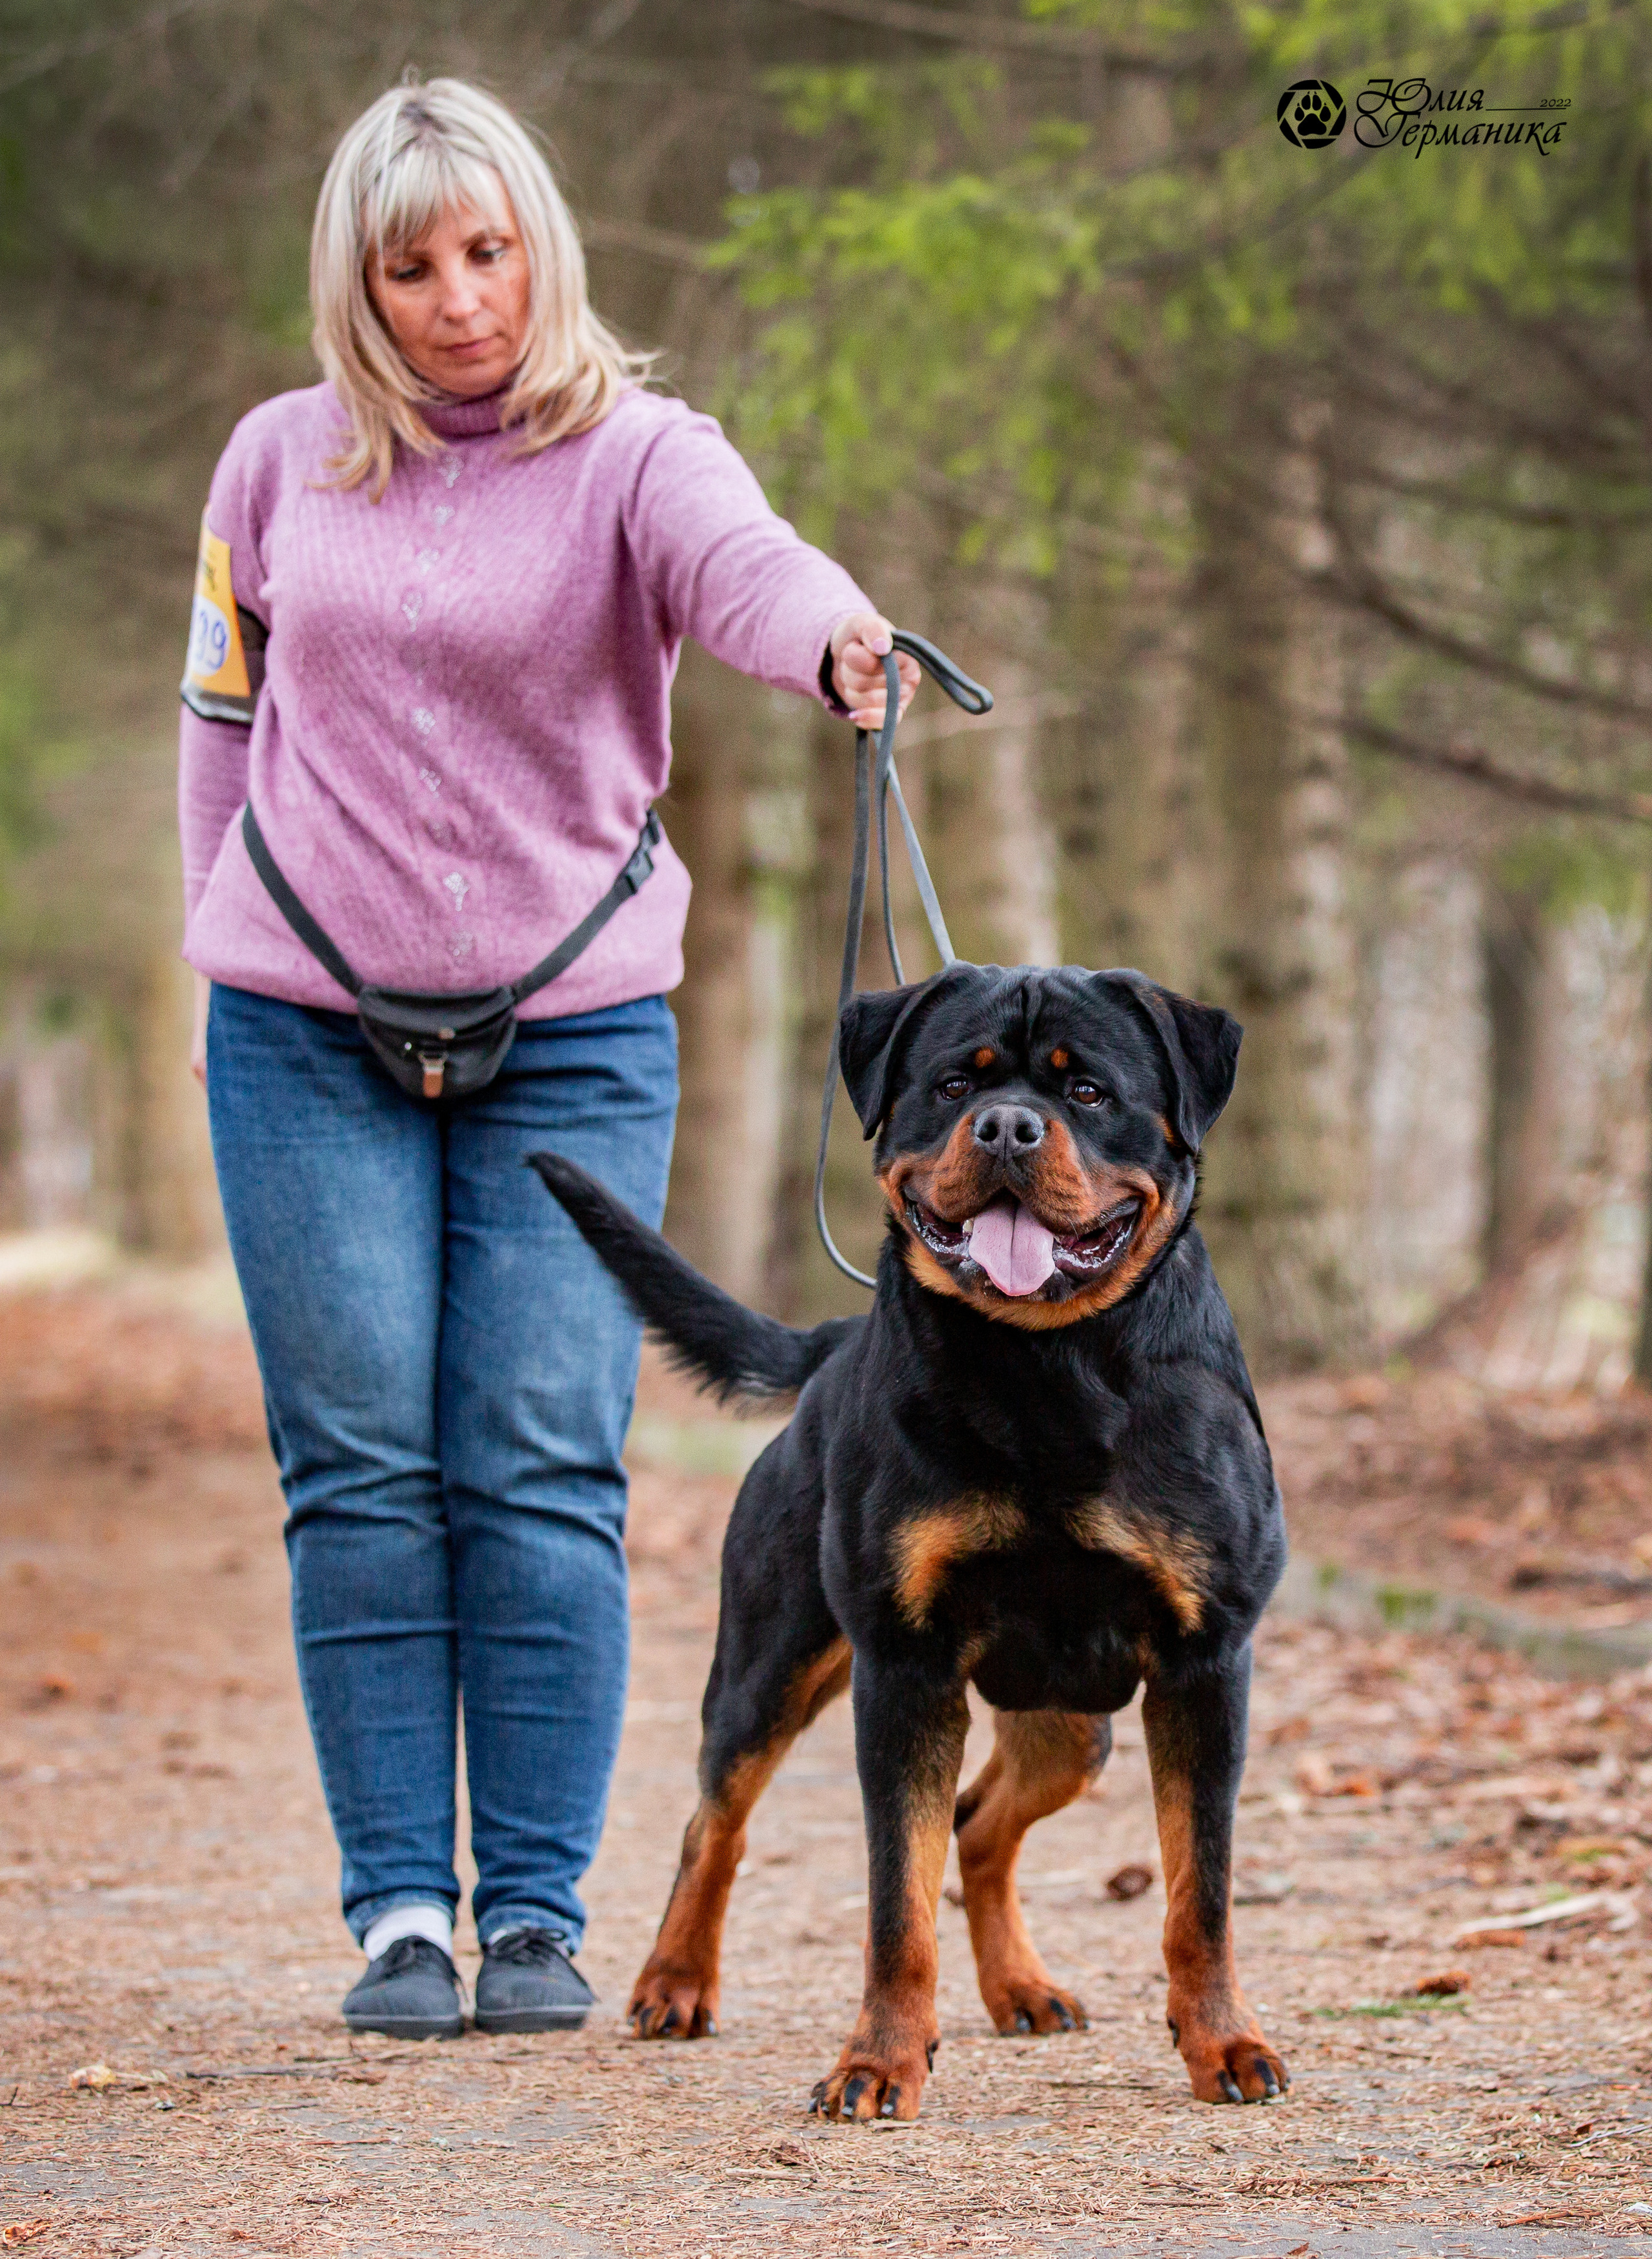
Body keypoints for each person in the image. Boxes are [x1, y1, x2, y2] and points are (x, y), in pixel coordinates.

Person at [179, 75, 917, 2040]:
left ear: (542, 248)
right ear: (358, 279)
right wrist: (211, 952)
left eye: (486, 250)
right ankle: (402, 1911)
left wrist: (836, 632)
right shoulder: (272, 465)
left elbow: (747, 565)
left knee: (536, 1462)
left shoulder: (639, 456)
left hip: (572, 1036)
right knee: (357, 1468)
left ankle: (534, 1913)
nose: (457, 298)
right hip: (299, 1030)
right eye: (409, 263)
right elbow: (220, 722)